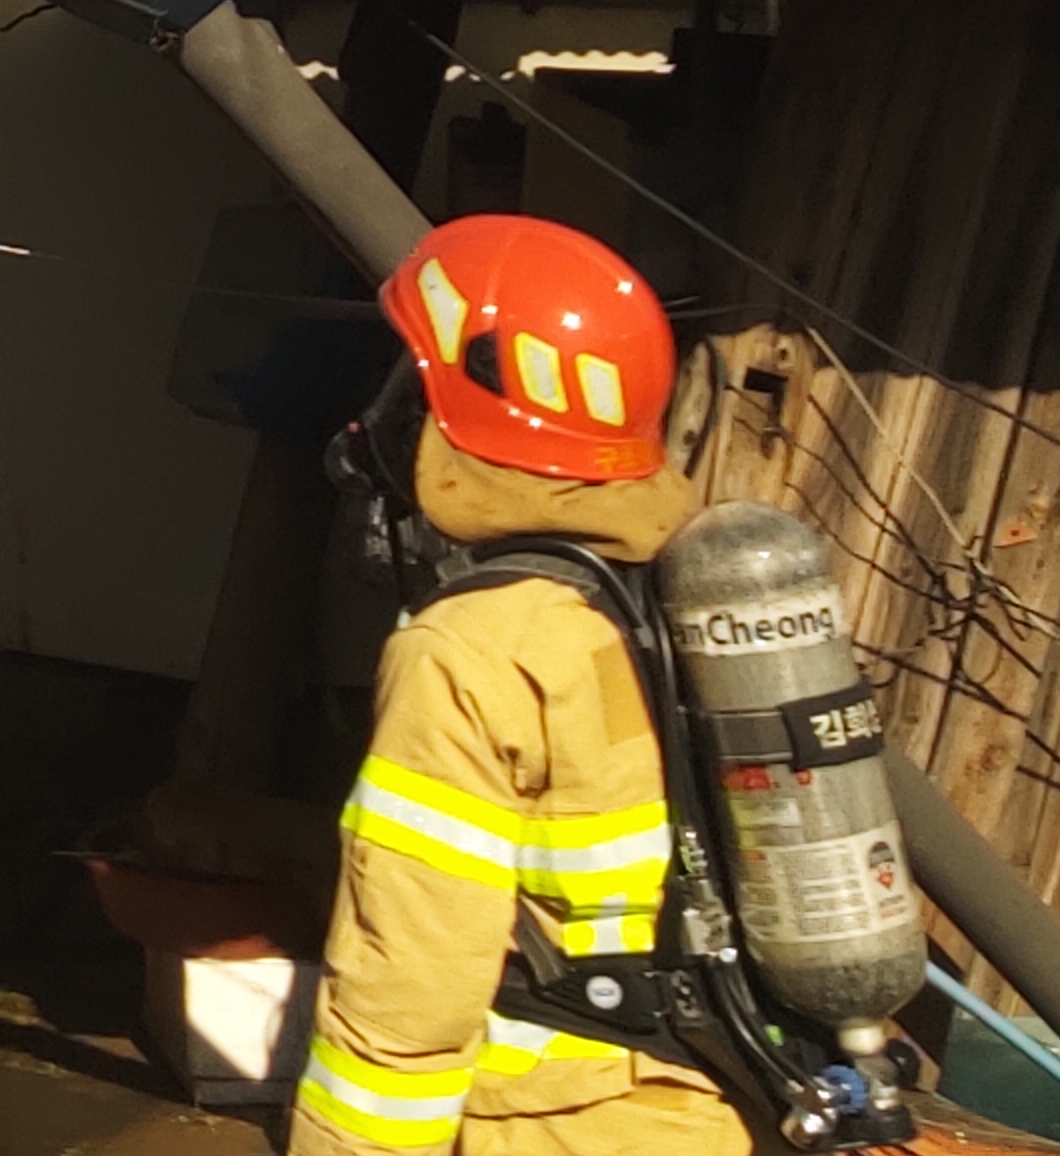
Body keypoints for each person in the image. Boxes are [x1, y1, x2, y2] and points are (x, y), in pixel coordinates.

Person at [293, 216, 747, 1156]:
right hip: (734, 1103)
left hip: (571, 1127)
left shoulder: (472, 650)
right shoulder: (704, 589)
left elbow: (410, 989)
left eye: (412, 388)